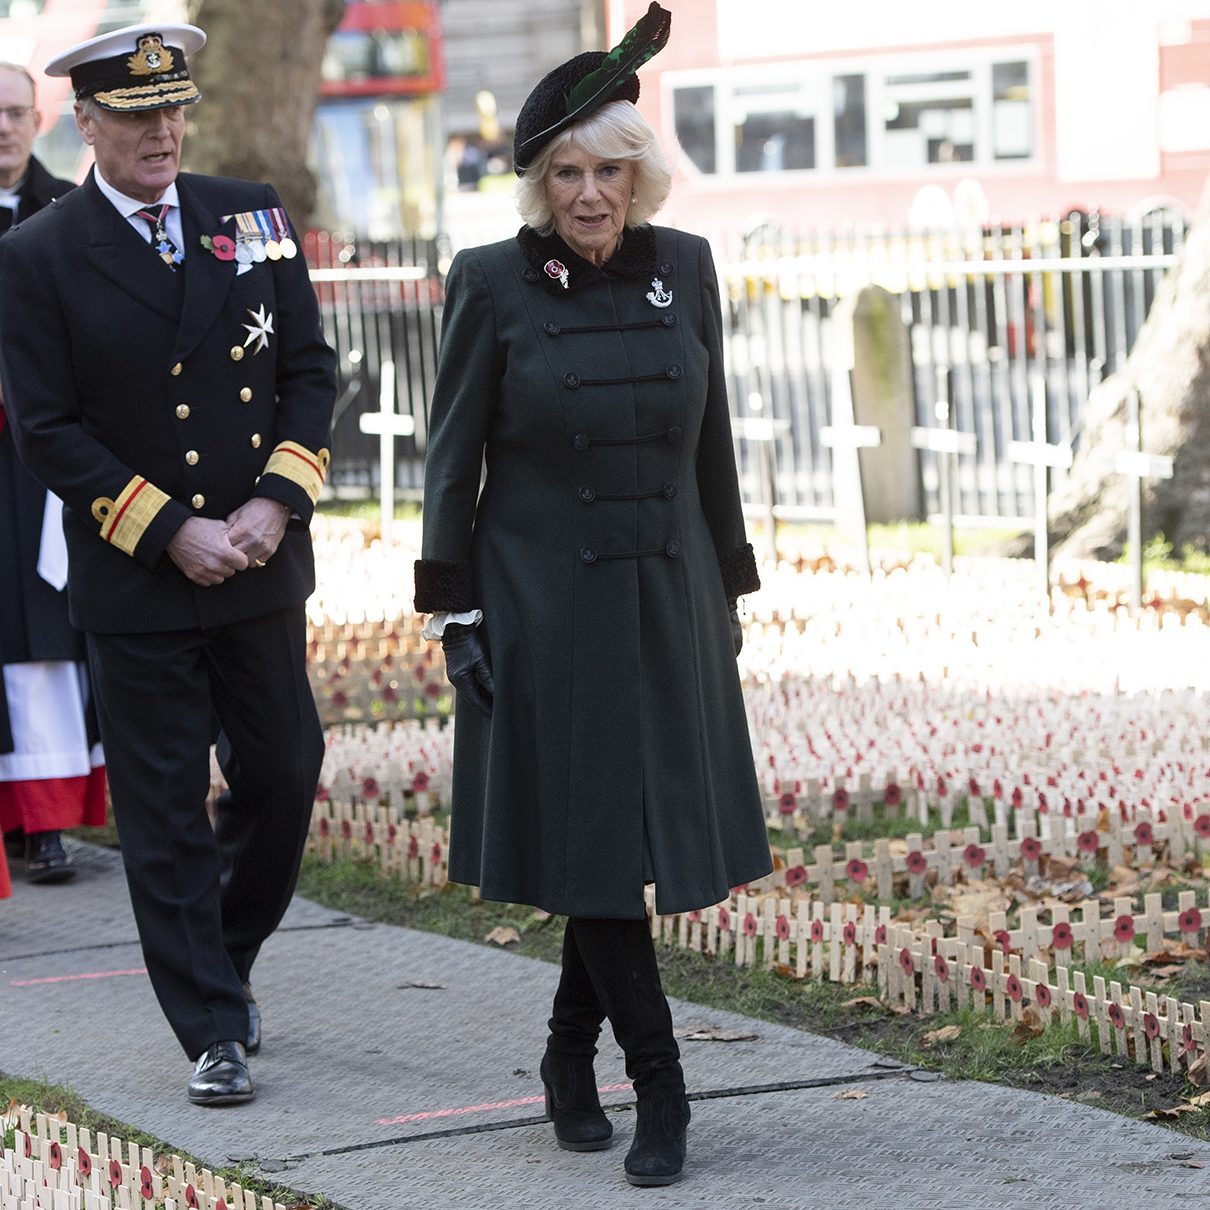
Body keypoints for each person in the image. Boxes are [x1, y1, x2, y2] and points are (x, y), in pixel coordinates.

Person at [413, 3, 771, 1188]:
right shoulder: (489, 283)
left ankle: (570, 1056)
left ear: (640, 172)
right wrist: (453, 609)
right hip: (539, 611)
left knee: (614, 840)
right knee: (603, 844)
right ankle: (661, 1089)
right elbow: (451, 460)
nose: (588, 192)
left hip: (666, 604)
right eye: (564, 171)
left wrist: (727, 586)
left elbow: (709, 443)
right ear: (537, 183)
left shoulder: (689, 269)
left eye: (608, 168)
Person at [0, 24, 335, 1106]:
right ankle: (210, 1024)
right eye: (137, 116)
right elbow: (47, 429)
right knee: (162, 812)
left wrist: (275, 504)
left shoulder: (249, 213)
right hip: (139, 575)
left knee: (284, 774)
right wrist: (166, 529)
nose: (164, 132)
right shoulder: (37, 254)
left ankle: (221, 961)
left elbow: (310, 372)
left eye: (173, 110)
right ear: (84, 124)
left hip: (257, 560)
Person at [0, 61, 107, 886]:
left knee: (42, 630)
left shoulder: (73, 213)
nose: (2, 128)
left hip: (38, 460)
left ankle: (41, 820)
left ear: (38, 120)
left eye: (12, 113)